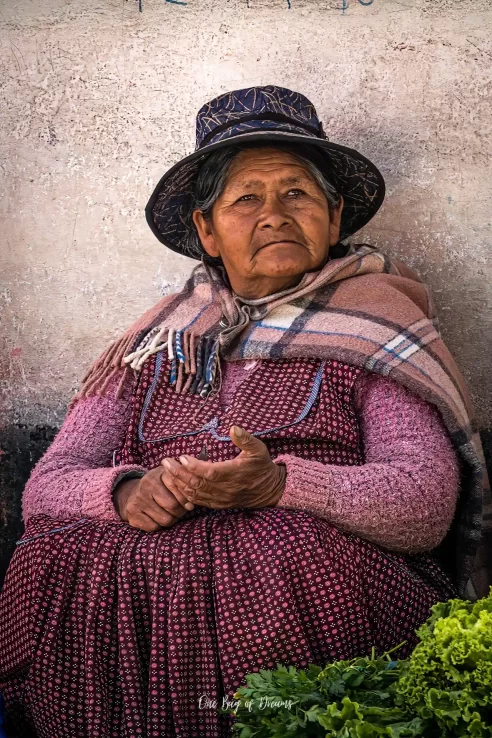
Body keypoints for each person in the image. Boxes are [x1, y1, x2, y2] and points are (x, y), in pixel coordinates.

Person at [0, 85, 489, 738]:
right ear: (207, 230)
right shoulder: (157, 342)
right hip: (142, 630)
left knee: (285, 554)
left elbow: (423, 500)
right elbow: (47, 485)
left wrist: (282, 484)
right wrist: (124, 491)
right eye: (246, 199)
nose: (274, 215)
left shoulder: (377, 327)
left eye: (296, 193)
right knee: (51, 556)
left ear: (334, 215)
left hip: (307, 594)